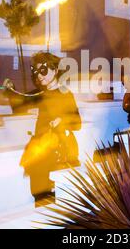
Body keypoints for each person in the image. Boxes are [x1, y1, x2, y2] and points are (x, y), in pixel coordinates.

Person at [6, 52, 81, 200]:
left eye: (43, 71)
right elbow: (18, 106)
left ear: (55, 70)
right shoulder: (38, 94)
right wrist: (10, 90)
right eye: (36, 72)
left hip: (59, 152)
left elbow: (77, 123)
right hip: (40, 151)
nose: (40, 76)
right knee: (38, 192)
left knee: (54, 195)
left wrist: (62, 120)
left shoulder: (65, 94)